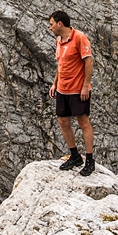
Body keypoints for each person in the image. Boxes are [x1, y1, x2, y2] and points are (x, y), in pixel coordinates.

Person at [47, 10, 95, 176]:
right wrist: (54, 84)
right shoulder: (58, 41)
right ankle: (75, 156)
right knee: (63, 121)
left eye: (51, 24)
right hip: (62, 89)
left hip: (77, 90)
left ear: (60, 24)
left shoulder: (79, 38)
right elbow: (60, 65)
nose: (50, 27)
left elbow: (88, 61)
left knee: (83, 122)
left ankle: (89, 160)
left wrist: (85, 85)